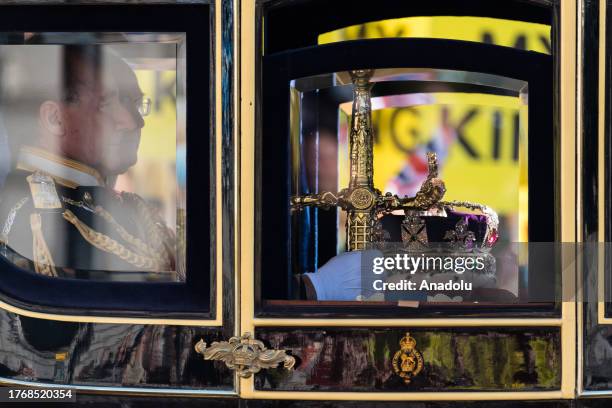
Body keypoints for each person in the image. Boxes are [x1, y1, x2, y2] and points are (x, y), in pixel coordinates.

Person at [0, 42, 177, 281]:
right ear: (54, 119)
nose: (133, 122)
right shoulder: (37, 218)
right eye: (105, 104)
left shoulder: (115, 206)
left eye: (134, 104)